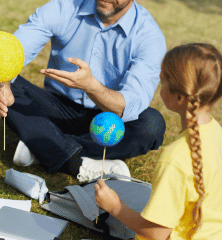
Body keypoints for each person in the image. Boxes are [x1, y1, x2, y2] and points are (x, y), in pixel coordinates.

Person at [0, 0, 167, 181]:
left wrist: (91, 85)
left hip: (106, 117)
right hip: (56, 107)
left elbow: (129, 106)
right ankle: (80, 162)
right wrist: (1, 83)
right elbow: (12, 51)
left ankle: (42, 145)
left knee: (151, 125)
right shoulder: (65, 7)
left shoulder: (149, 37)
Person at [95, 43, 222, 240]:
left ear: (179, 96)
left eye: (162, 81)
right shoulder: (217, 134)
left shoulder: (176, 157)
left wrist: (115, 207)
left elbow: (156, 234)